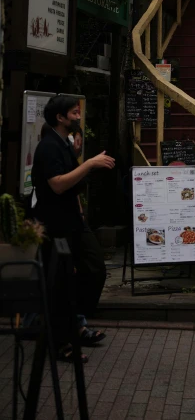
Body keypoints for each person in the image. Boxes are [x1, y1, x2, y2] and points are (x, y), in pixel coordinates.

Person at [32, 95, 115, 362]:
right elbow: (57, 184)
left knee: (94, 269)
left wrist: (79, 210)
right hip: (55, 225)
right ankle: (62, 340)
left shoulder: (65, 144)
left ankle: (73, 323)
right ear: (60, 117)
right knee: (59, 283)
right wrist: (89, 164)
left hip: (73, 221)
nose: (78, 114)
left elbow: (72, 186)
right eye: (73, 111)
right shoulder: (48, 147)